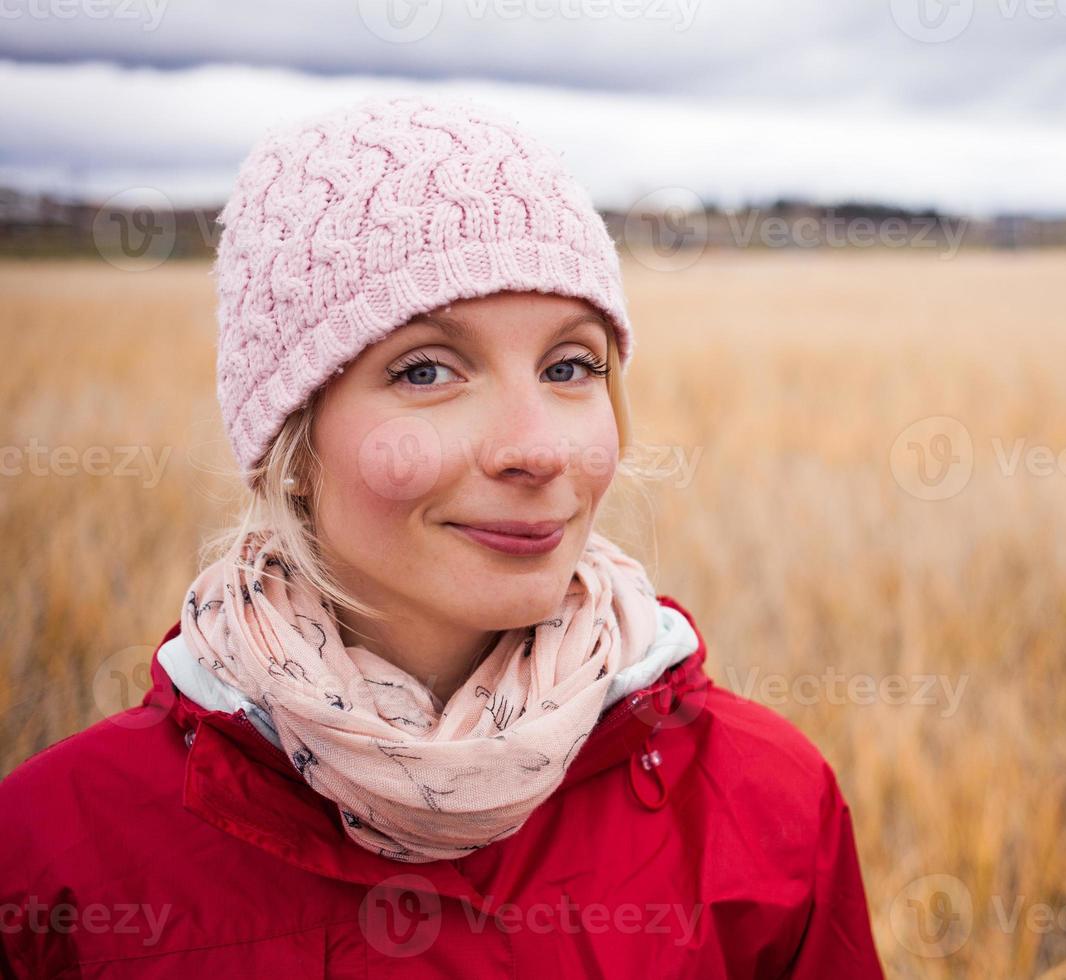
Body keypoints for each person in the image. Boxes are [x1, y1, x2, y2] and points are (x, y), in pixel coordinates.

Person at [0, 94, 885, 978]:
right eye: (426, 370)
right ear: (290, 443)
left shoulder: (766, 806)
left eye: (571, 366)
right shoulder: (54, 861)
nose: (536, 449)